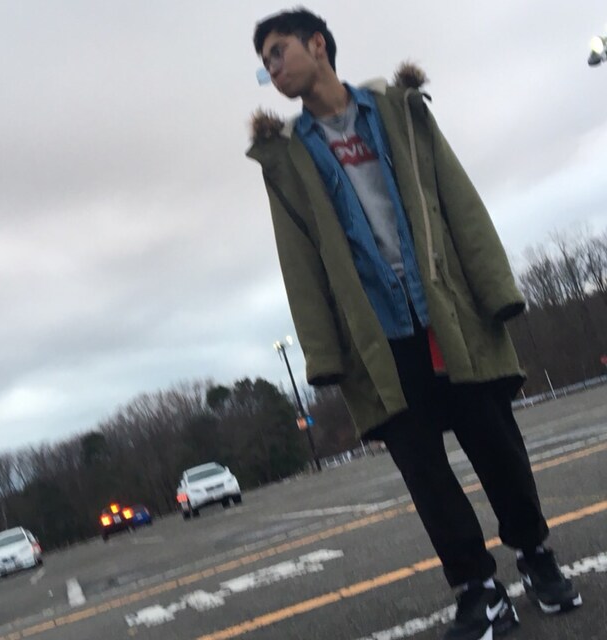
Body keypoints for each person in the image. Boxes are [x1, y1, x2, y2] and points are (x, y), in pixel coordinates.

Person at [246, 8, 583, 640]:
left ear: (317, 45)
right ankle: (479, 590)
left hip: (447, 314)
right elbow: (300, 261)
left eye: (278, 51)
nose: (272, 68)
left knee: (498, 448)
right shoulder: (286, 157)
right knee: (425, 473)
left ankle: (536, 556)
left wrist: (496, 291)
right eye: (264, 62)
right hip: (377, 337)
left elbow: (459, 199)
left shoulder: (398, 110)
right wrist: (324, 353)